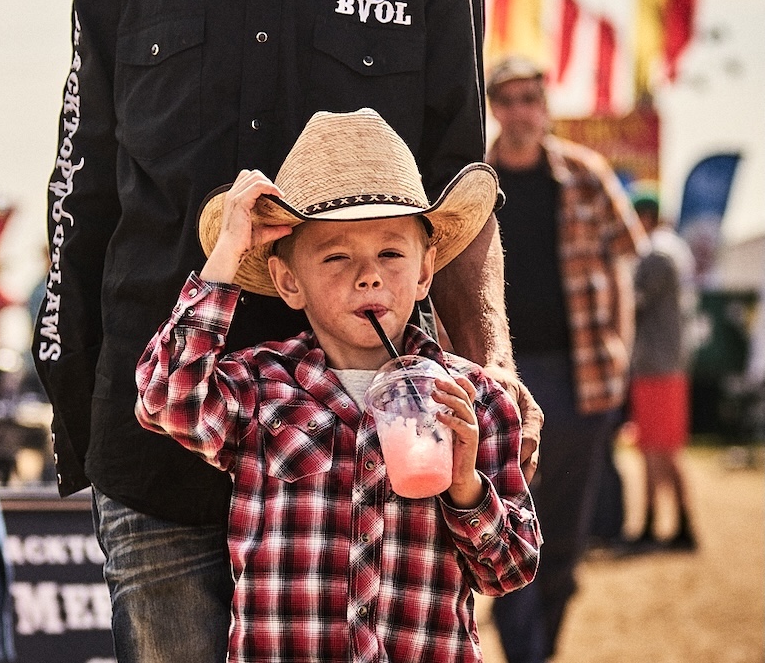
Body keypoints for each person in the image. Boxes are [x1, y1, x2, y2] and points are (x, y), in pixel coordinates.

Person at [33, 0, 540, 662]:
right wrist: (72, 397)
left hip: (361, 450)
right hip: (161, 437)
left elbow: (463, 194)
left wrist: (490, 365)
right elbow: (82, 185)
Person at [136, 109, 541, 662]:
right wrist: (226, 254)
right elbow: (165, 397)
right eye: (336, 256)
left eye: (391, 254)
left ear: (425, 273)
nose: (368, 275)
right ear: (288, 282)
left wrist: (465, 484)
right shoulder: (260, 387)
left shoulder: (475, 401)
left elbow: (511, 569)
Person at [485, 55, 645, 663]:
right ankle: (524, 646)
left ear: (544, 105)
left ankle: (540, 646)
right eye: (509, 99)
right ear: (494, 107)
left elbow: (624, 264)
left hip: (583, 377)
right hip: (504, 380)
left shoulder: (586, 174)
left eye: (531, 98)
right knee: (508, 521)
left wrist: (622, 354)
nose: (521, 111)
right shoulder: (475, 182)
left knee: (567, 533)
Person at [627, 184, 699, 550]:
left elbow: (630, 303)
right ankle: (669, 526)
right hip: (664, 364)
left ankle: (663, 526)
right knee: (660, 449)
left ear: (645, 217)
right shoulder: (672, 249)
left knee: (660, 451)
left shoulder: (656, 255)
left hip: (657, 365)